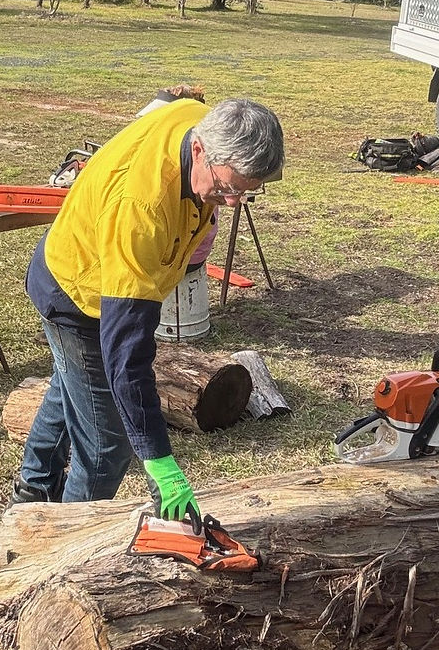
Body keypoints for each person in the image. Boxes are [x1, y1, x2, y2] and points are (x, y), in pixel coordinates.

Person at [14, 97, 284, 523]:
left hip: (89, 271)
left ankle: (31, 495)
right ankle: (64, 539)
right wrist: (159, 461)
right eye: (229, 188)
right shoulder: (141, 209)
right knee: (106, 446)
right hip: (78, 295)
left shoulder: (200, 121)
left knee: (71, 387)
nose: (232, 204)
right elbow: (127, 352)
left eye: (246, 192)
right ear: (200, 151)